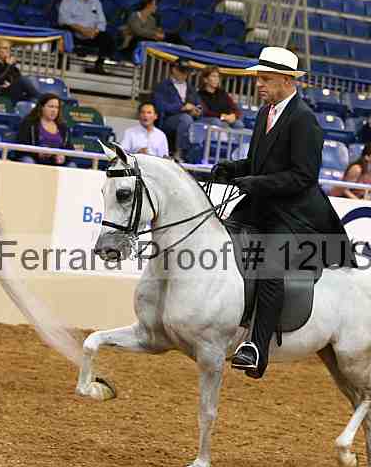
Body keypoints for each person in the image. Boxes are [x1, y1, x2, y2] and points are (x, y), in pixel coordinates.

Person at [212, 47, 358, 379]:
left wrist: (256, 182)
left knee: (268, 264)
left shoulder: (304, 120)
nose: (259, 84)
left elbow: (302, 177)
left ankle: (256, 347)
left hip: (296, 215)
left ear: (287, 80)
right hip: (262, 206)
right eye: (258, 78)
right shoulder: (266, 113)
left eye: (265, 79)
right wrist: (233, 169)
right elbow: (258, 164)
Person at [57, 0, 115, 76]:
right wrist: (81, 29)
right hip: (74, 31)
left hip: (91, 34)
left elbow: (102, 22)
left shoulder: (96, 2)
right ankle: (63, 61)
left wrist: (94, 31)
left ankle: (99, 65)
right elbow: (63, 19)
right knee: (63, 31)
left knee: (107, 38)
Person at [152, 58, 201, 162]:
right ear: (174, 69)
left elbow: (198, 104)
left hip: (190, 118)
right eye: (182, 71)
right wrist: (182, 108)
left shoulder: (191, 88)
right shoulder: (162, 86)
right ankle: (179, 152)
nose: (185, 74)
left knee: (205, 123)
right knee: (186, 119)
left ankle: (197, 155)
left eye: (187, 71)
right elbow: (160, 107)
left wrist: (197, 111)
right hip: (167, 120)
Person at [15, 93, 68, 165]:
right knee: (28, 161)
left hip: (56, 162)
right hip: (33, 158)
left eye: (57, 107)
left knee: (71, 165)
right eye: (51, 107)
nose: (54, 110)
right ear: (42, 107)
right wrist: (38, 153)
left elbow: (69, 148)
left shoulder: (63, 126)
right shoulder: (29, 123)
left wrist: (64, 157)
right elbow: (21, 145)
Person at [0, 38, 38, 102]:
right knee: (24, 81)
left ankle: (41, 101)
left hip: (12, 92)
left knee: (32, 80)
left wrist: (12, 65)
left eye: (9, 48)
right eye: (5, 48)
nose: (8, 51)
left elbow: (18, 77)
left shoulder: (6, 62)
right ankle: (44, 100)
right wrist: (9, 65)